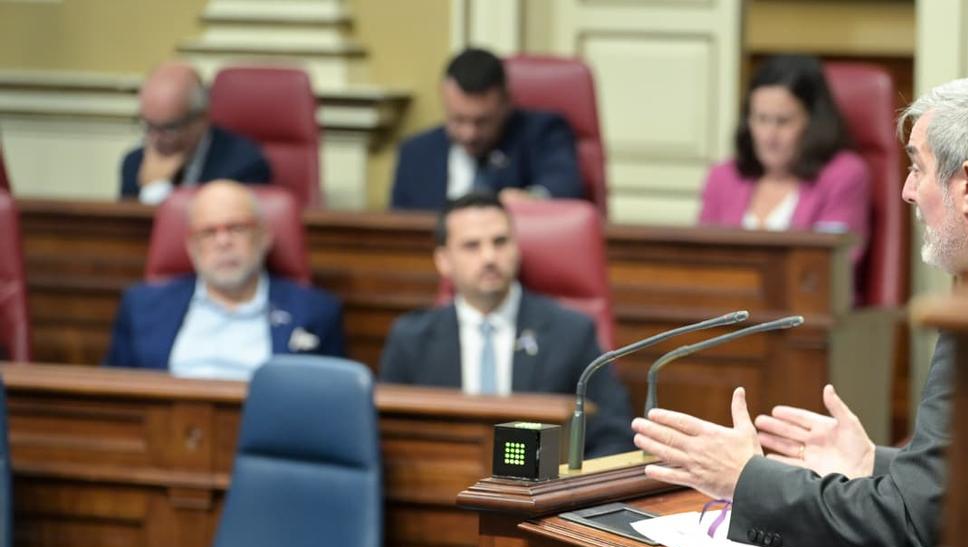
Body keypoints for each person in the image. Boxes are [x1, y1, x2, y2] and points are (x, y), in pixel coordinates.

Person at [633, 74, 968, 547]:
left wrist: (744, 479)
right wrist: (874, 462)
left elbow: (911, 523)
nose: (909, 192)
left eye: (918, 167)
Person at [378, 192, 633, 458]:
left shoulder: (570, 333)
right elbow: (389, 438)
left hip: (546, 492)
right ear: (443, 261)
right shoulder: (411, 340)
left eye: (500, 242)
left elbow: (614, 435)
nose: (489, 257)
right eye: (472, 246)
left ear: (516, 248)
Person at [105, 180, 344, 378]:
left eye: (237, 228)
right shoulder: (142, 307)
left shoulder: (316, 312)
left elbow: (330, 405)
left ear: (264, 236)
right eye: (208, 232)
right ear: (191, 246)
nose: (223, 242)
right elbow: (115, 397)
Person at [698, 55, 870, 258]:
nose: (769, 136)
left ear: (813, 122)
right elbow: (701, 261)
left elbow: (832, 265)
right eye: (761, 119)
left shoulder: (844, 175)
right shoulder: (723, 177)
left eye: (783, 121)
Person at [389, 48, 584, 211]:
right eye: (458, 119)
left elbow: (564, 185)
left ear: (506, 102)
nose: (469, 133)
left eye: (482, 121)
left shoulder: (542, 133)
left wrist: (531, 200)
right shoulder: (415, 153)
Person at [120, 62, 272, 205]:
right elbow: (127, 230)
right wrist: (150, 190)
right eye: (148, 126)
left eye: (169, 128)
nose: (155, 138)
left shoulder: (244, 165)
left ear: (202, 118)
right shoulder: (134, 163)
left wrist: (157, 191)